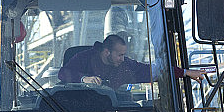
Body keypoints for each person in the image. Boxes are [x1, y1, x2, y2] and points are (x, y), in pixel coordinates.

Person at [58, 34, 203, 87]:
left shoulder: (125, 64)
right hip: (78, 110)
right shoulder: (84, 58)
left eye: (123, 55)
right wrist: (85, 79)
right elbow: (63, 74)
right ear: (107, 52)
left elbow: (151, 71)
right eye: (119, 55)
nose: (122, 58)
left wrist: (184, 72)